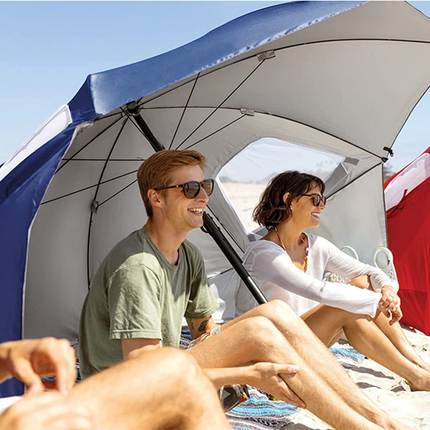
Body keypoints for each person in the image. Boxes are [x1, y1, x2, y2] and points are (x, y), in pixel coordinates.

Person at [79, 149, 413, 430]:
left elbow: (203, 332)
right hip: (127, 400)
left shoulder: (188, 255)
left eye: (205, 185)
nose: (203, 197)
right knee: (258, 329)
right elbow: (142, 370)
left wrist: (239, 349)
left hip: (168, 370)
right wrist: (247, 373)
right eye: (190, 188)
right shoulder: (137, 266)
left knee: (275, 313)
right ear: (156, 198)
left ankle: (377, 418)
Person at [236, 170, 430, 391]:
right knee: (345, 306)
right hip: (268, 347)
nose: (322, 206)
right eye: (315, 199)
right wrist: (375, 302)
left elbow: (368, 271)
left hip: (303, 336)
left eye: (323, 200)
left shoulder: (314, 244)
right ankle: (416, 377)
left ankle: (418, 364)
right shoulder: (263, 254)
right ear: (288, 200)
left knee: (363, 283)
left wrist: (387, 291)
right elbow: (318, 291)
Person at [0, 337, 231, 430]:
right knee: (178, 374)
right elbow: (140, 356)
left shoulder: (188, 259)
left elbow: (204, 324)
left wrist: (8, 355)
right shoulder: (136, 267)